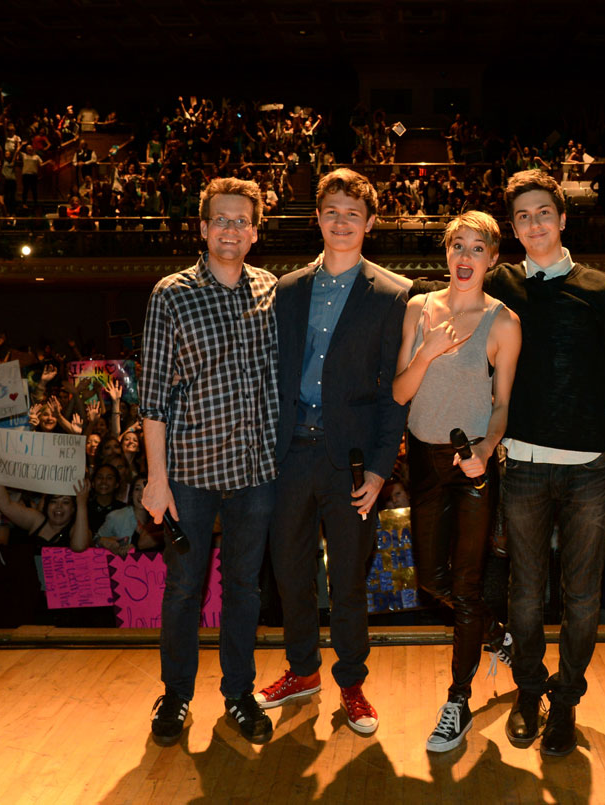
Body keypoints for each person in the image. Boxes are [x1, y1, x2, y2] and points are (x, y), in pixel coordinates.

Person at [484, 170, 605, 757]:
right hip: (521, 462)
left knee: (582, 597)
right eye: (522, 216)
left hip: (588, 467)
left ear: (563, 219)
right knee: (524, 593)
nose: (534, 223)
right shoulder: (502, 284)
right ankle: (527, 692)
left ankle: (565, 702)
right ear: (513, 227)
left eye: (544, 212)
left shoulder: (599, 287)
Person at [258, 168, 409, 736]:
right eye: (331, 211)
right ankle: (302, 671)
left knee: (347, 579)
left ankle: (351, 682)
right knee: (291, 574)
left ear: (370, 222)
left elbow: (395, 392)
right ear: (317, 219)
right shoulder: (287, 288)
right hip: (288, 454)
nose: (341, 222)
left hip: (350, 462)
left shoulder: (394, 294)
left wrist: (378, 467)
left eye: (353, 213)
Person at [139, 177, 279, 746]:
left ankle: (239, 694)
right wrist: (156, 480)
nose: (230, 229)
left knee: (245, 588)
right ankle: (175, 695)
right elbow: (152, 397)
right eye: (220, 219)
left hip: (256, 472)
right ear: (202, 228)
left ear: (255, 230)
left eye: (241, 220)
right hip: (191, 473)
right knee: (184, 589)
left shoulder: (271, 289)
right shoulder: (170, 294)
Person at [391, 210, 521, 752]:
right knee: (430, 580)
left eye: (477, 249)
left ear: (493, 259)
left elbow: (502, 406)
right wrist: (427, 353)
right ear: (446, 254)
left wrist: (487, 451)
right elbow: (400, 394)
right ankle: (496, 634)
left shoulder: (505, 323)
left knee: (465, 587)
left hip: (471, 464)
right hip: (422, 461)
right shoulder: (420, 309)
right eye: (457, 247)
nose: (464, 258)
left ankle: (457, 701)